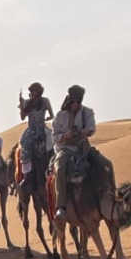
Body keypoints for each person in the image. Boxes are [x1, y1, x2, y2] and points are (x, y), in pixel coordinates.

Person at [51, 85, 97, 219]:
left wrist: (86, 131)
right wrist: (65, 135)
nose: (76, 104)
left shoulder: (87, 112)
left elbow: (92, 127)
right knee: (60, 169)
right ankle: (61, 207)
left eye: (78, 101)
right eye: (73, 101)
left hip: (83, 148)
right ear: (69, 100)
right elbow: (54, 137)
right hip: (65, 149)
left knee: (105, 165)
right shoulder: (60, 116)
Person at [18, 82, 54, 176]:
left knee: (53, 143)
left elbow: (52, 114)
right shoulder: (27, 103)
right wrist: (21, 104)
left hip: (42, 128)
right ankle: (26, 174)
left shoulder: (45, 101)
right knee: (25, 144)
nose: (32, 93)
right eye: (31, 91)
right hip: (32, 129)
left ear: (38, 92)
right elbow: (22, 117)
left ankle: (52, 168)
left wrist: (48, 118)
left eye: (34, 91)